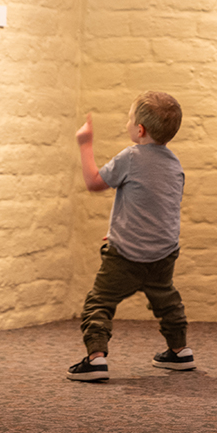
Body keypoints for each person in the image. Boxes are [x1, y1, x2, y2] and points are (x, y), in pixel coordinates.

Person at [67, 91, 196, 381]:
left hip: (124, 254)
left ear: (140, 130)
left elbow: (94, 183)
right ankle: (179, 351)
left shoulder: (131, 157)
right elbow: (155, 208)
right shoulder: (174, 165)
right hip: (163, 252)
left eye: (129, 118)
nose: (128, 123)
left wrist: (85, 144)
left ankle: (96, 357)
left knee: (99, 302)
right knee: (166, 300)